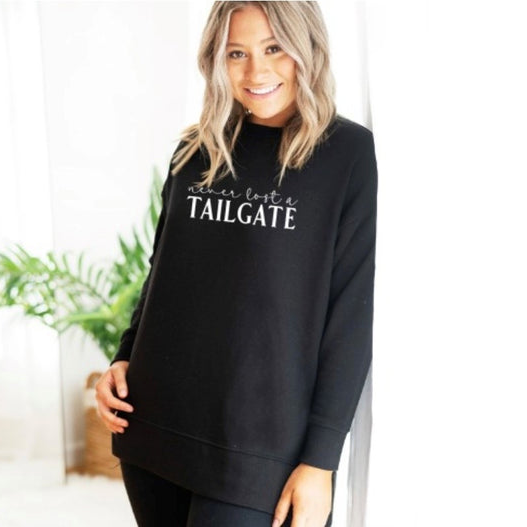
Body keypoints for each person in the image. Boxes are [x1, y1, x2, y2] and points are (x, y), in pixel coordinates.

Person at [95, 2, 378, 526]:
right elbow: (164, 271)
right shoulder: (195, 150)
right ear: (216, 60)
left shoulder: (347, 154)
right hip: (156, 424)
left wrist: (320, 462)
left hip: (262, 450)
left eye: (274, 48)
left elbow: (350, 317)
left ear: (308, 48)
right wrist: (123, 356)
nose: (256, 71)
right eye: (236, 53)